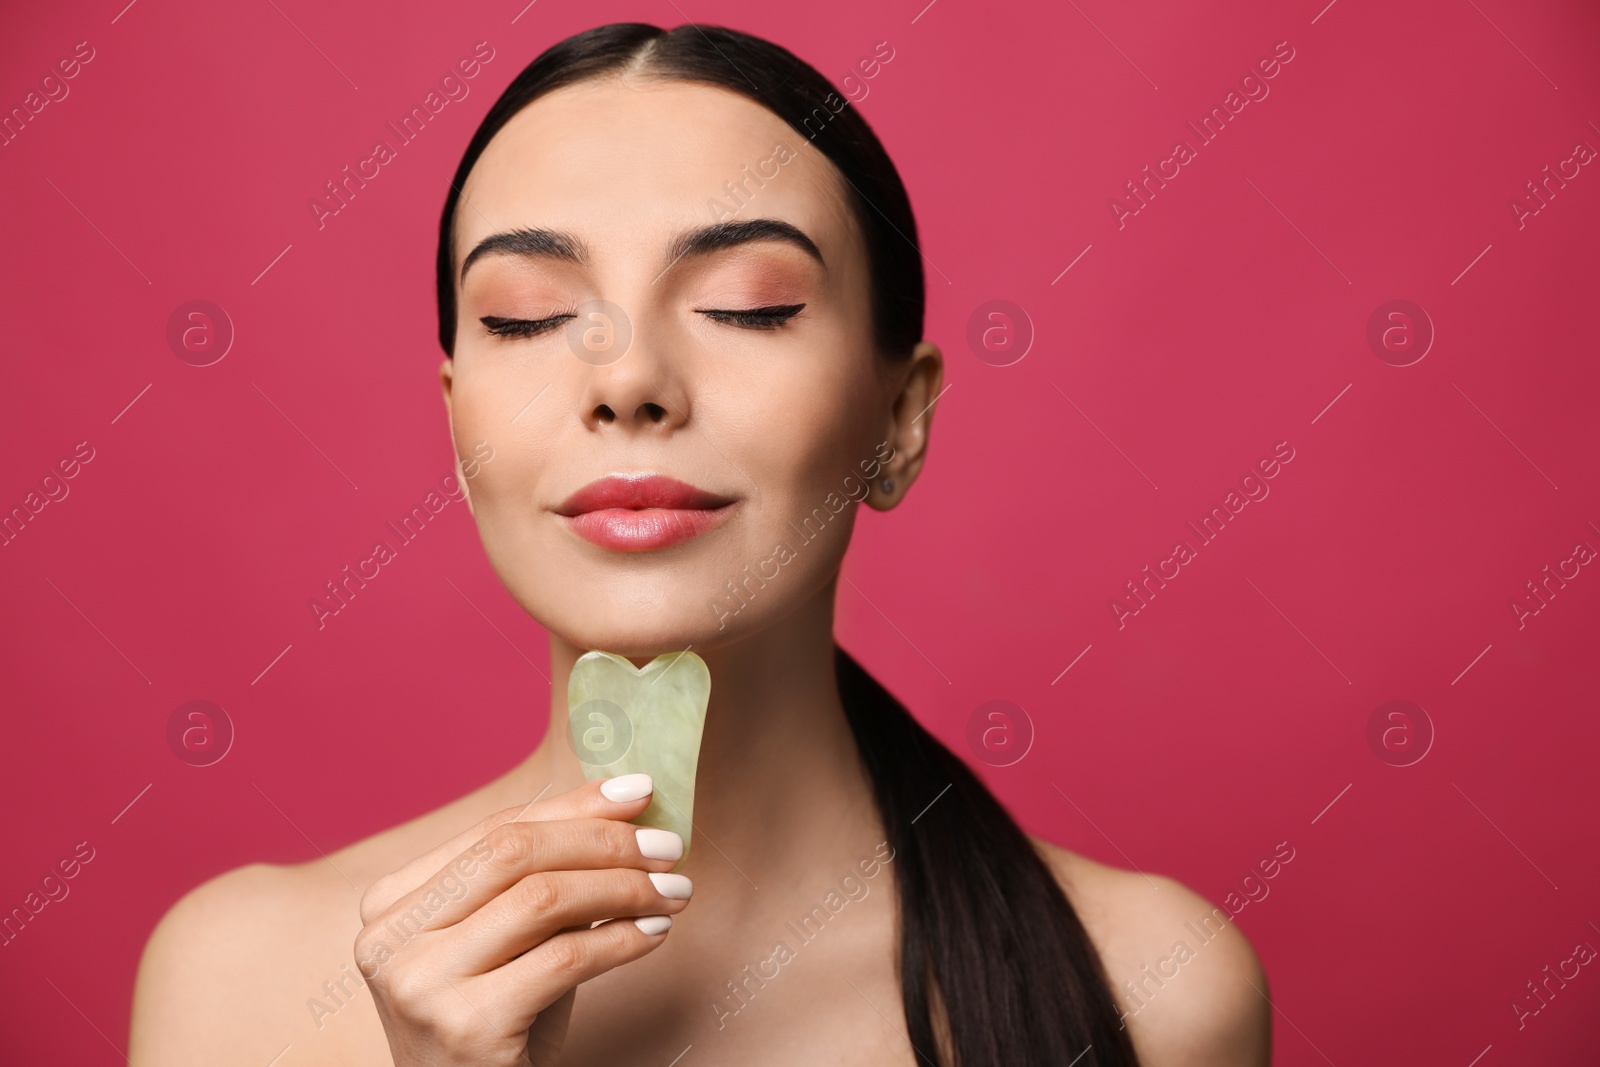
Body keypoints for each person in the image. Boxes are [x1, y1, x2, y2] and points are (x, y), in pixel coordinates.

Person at [129, 22, 1271, 1066]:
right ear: (454, 414)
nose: (626, 379)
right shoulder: (241, 989)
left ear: (898, 417)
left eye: (748, 303)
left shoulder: (1153, 991)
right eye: (525, 314)